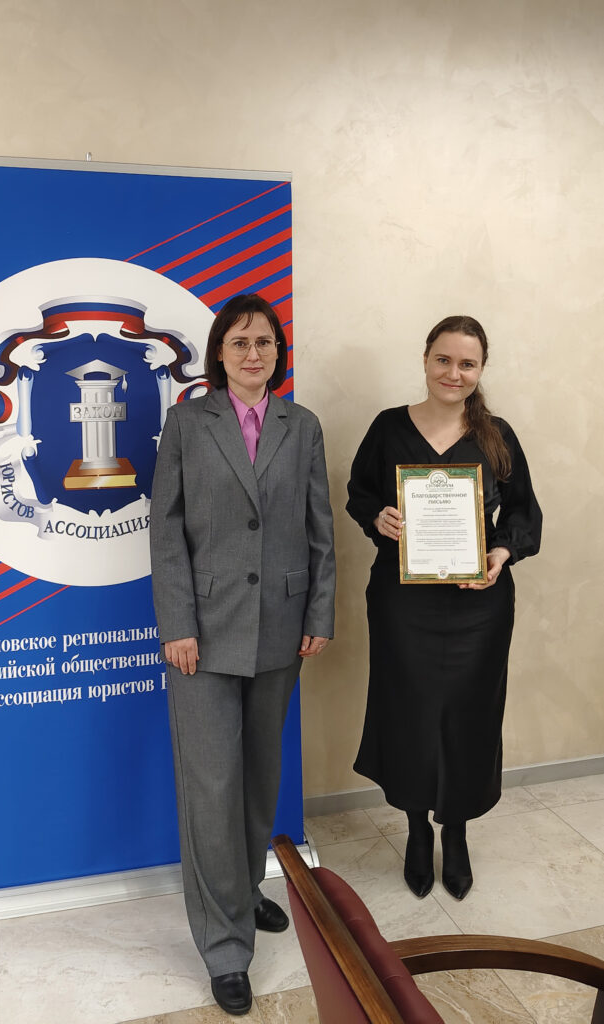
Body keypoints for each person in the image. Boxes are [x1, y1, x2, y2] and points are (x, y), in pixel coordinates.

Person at [150, 293, 335, 1015]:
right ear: (219, 354)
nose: (252, 353)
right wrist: (177, 623)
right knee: (212, 788)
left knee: (259, 777)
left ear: (277, 352)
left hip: (281, 629)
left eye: (263, 342)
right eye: (238, 342)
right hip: (202, 633)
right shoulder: (186, 423)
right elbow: (167, 532)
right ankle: (225, 945)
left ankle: (242, 889)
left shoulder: (302, 425)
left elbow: (319, 528)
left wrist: (318, 613)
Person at [346, 315, 541, 902]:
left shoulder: (496, 435)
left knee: (468, 716)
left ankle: (454, 831)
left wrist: (500, 553)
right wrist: (377, 516)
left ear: (480, 370)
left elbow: (523, 513)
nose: (454, 373)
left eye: (467, 364)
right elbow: (359, 493)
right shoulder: (388, 427)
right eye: (444, 360)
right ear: (426, 359)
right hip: (402, 602)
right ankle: (415, 828)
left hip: (478, 607)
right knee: (408, 713)